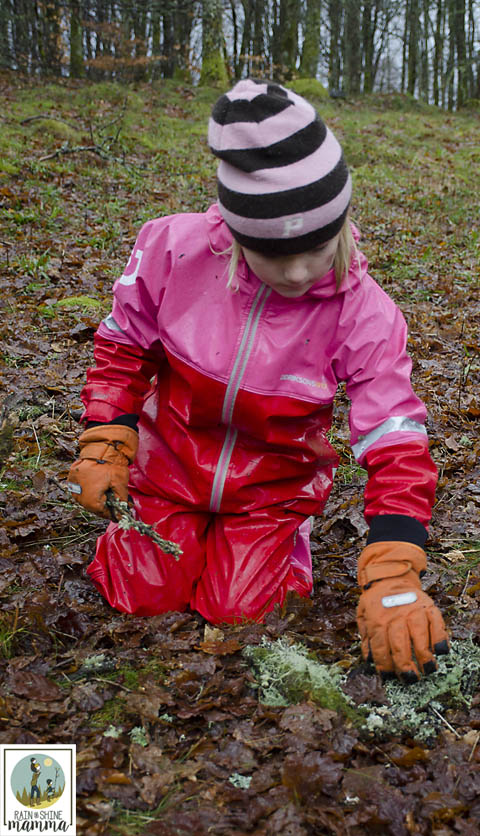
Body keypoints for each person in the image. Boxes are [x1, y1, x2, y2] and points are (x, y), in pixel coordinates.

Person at [68, 79, 449, 682]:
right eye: (276, 254)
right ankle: (160, 535)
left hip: (270, 492)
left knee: (244, 614)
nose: (299, 271)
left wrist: (396, 566)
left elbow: (394, 434)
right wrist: (107, 440)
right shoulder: (173, 251)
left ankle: (283, 541)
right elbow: (123, 345)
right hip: (167, 470)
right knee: (140, 596)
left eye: (319, 246)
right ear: (237, 233)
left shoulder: (366, 313)